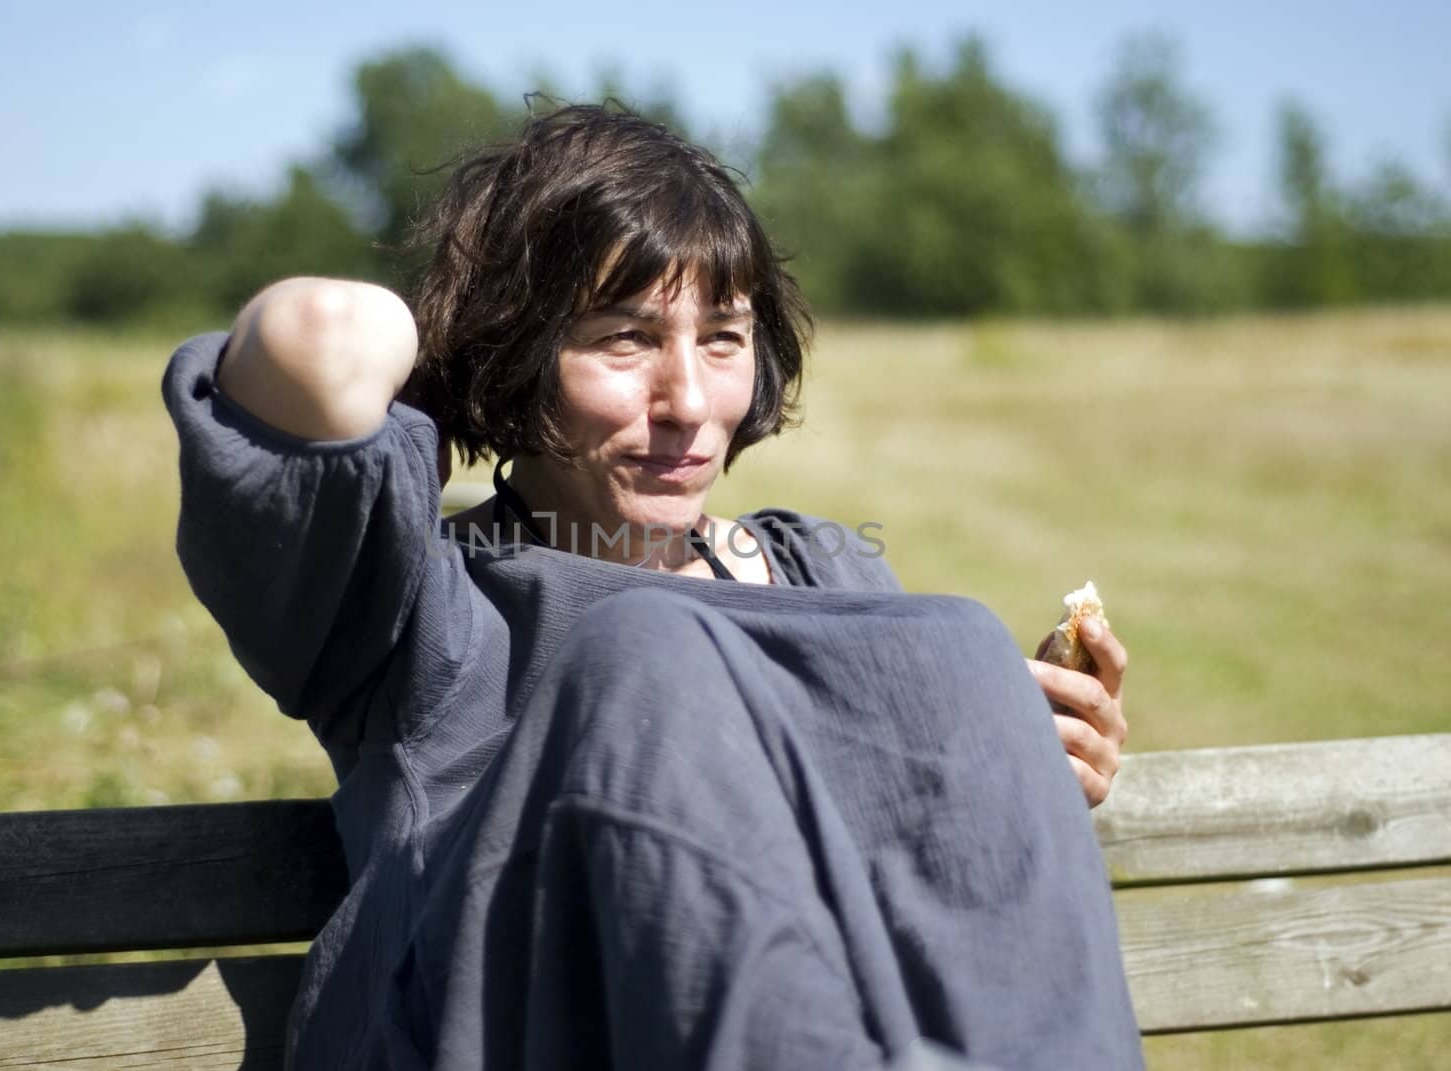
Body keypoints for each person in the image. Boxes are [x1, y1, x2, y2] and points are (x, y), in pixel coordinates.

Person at [163, 105, 1141, 1070]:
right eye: (624, 339)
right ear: (517, 349)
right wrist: (463, 321)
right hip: (498, 1034)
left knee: (956, 642)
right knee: (650, 645)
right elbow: (322, 333)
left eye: (722, 338)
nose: (687, 403)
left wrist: (1011, 763)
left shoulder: (830, 572)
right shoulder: (411, 602)